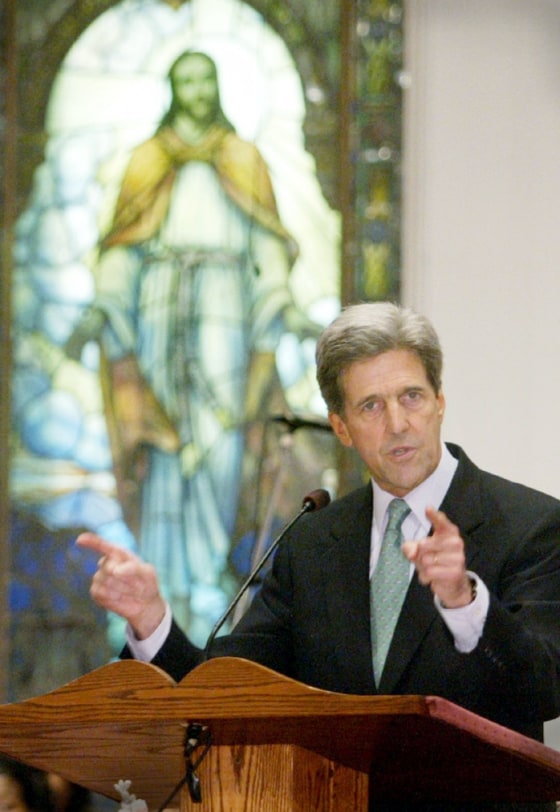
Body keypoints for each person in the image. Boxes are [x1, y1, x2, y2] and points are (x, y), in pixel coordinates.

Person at [78, 302, 560, 811]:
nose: (398, 423)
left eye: (412, 397)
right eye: (370, 406)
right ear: (341, 427)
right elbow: (224, 694)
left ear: (440, 402)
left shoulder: (530, 525)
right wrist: (151, 618)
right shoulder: (312, 543)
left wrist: (465, 601)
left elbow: (545, 689)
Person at [66, 49, 317, 642]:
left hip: (227, 310)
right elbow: (123, 249)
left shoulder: (243, 158)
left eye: (206, 80)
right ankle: (163, 582)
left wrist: (280, 301)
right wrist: (105, 305)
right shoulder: (148, 161)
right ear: (173, 90)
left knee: (221, 436)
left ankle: (206, 579)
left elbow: (268, 247)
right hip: (159, 307)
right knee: (164, 440)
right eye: (187, 82)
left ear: (218, 87)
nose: (198, 92)